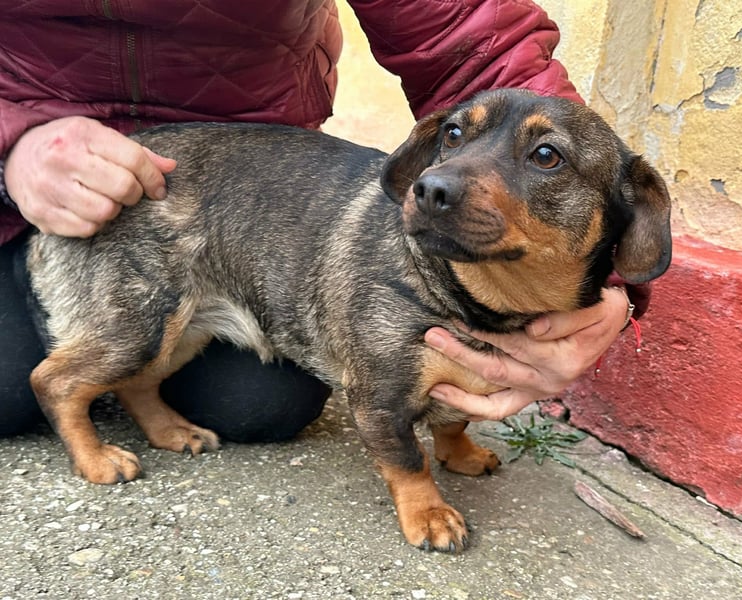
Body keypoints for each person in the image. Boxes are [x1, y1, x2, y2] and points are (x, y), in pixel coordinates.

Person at [0, 1, 646, 441]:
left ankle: (138, 383)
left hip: (250, 191)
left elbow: (473, 43)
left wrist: (605, 275)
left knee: (258, 407)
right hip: (23, 184)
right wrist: (12, 147)